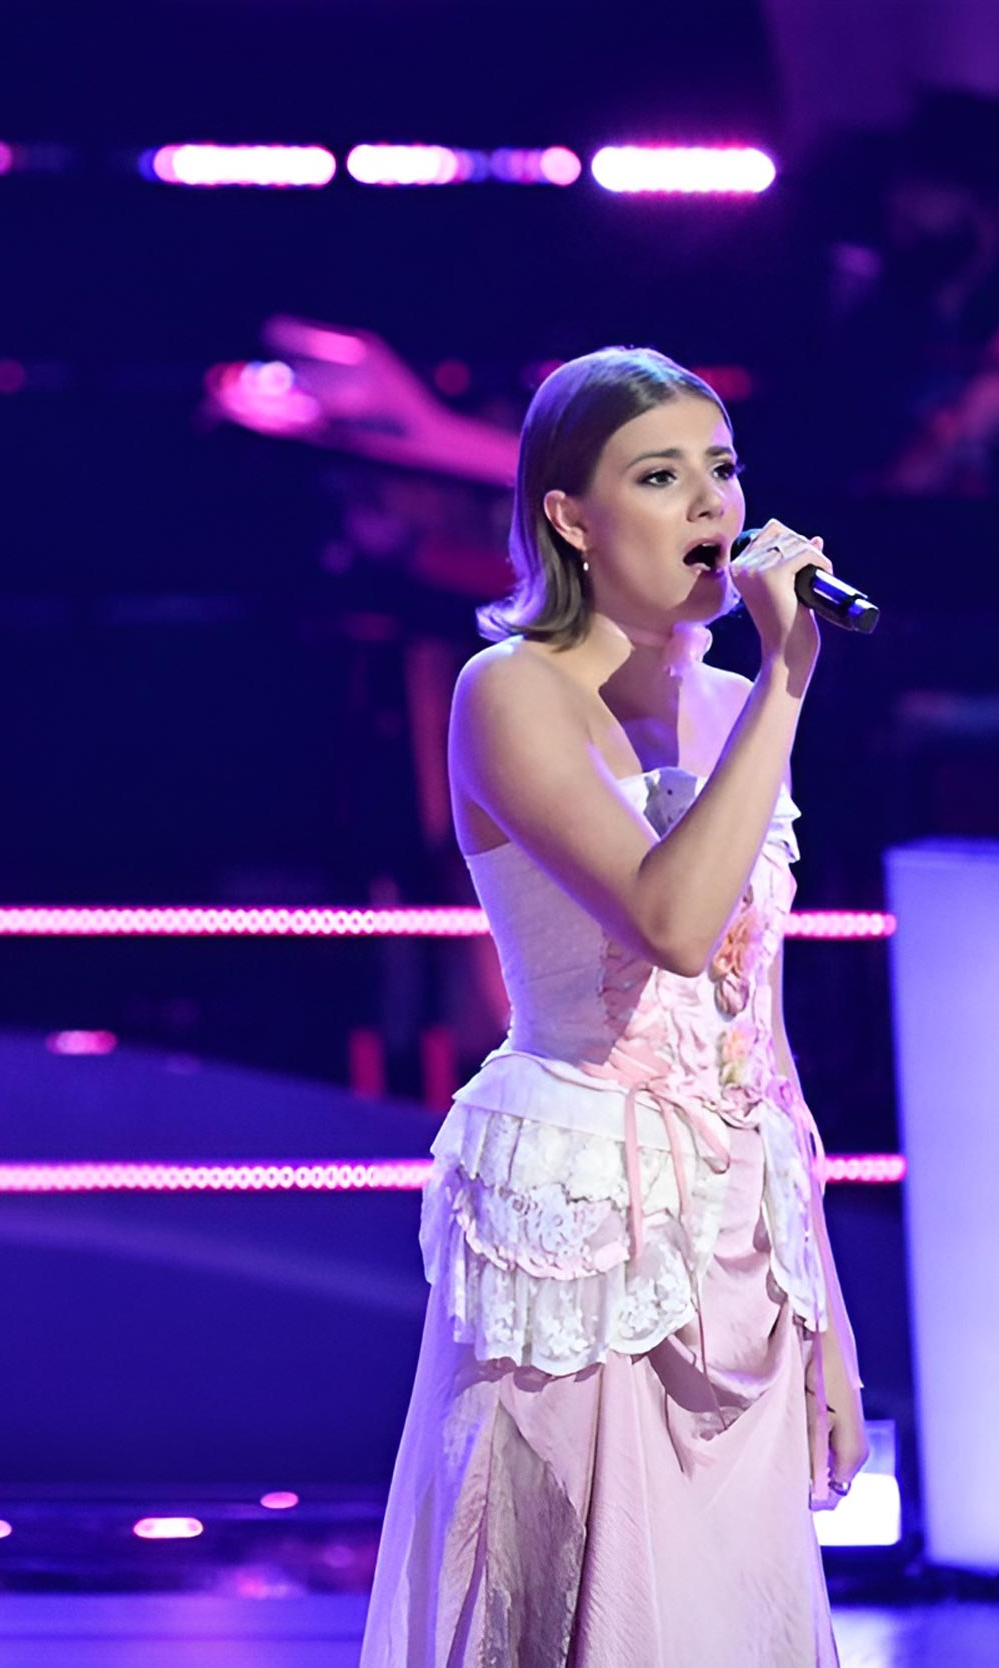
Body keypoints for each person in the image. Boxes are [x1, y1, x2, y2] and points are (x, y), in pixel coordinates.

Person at [359, 348, 863, 1667]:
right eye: (660, 475)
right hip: (584, 1237)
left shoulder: (735, 704)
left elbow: (760, 1028)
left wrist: (828, 1317)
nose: (709, 503)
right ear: (568, 517)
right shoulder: (511, 693)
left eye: (723, 468)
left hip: (743, 1240)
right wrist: (792, 681)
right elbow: (674, 923)